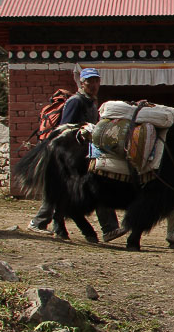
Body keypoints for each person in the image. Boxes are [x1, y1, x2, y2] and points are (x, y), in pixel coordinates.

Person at [27, 68, 122, 240]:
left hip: (85, 153)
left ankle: (108, 228)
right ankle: (40, 222)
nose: (93, 85)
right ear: (82, 83)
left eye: (96, 81)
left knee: (87, 186)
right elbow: (65, 129)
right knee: (63, 188)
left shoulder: (91, 103)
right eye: (89, 82)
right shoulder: (75, 101)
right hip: (69, 154)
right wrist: (83, 130)